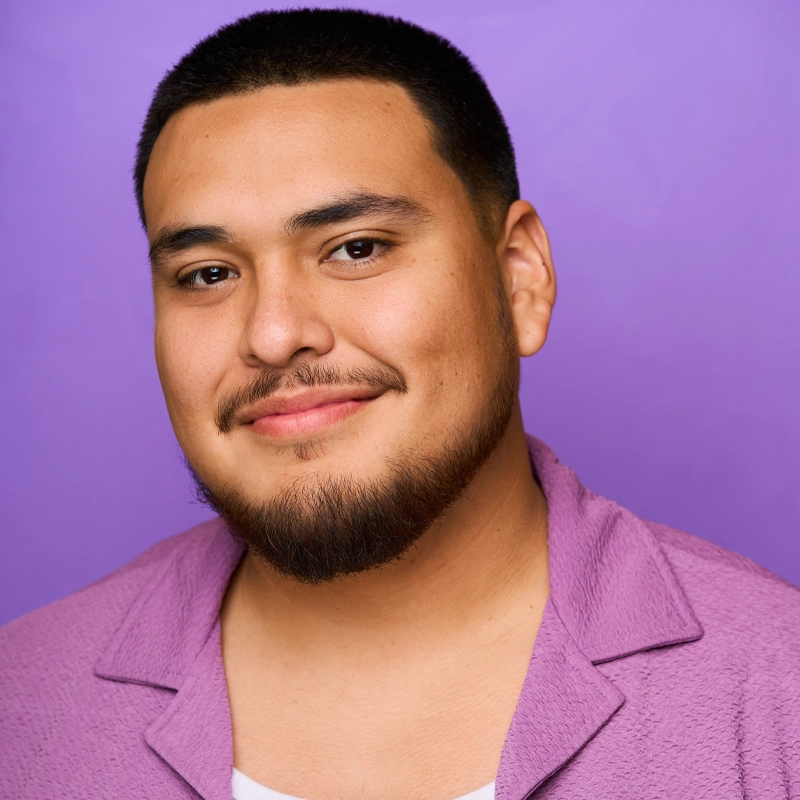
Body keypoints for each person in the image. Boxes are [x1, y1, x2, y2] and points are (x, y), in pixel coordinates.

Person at [1, 8, 798, 799]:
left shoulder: (778, 690)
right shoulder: (22, 702)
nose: (274, 335)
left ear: (518, 277)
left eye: (356, 249)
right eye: (208, 273)